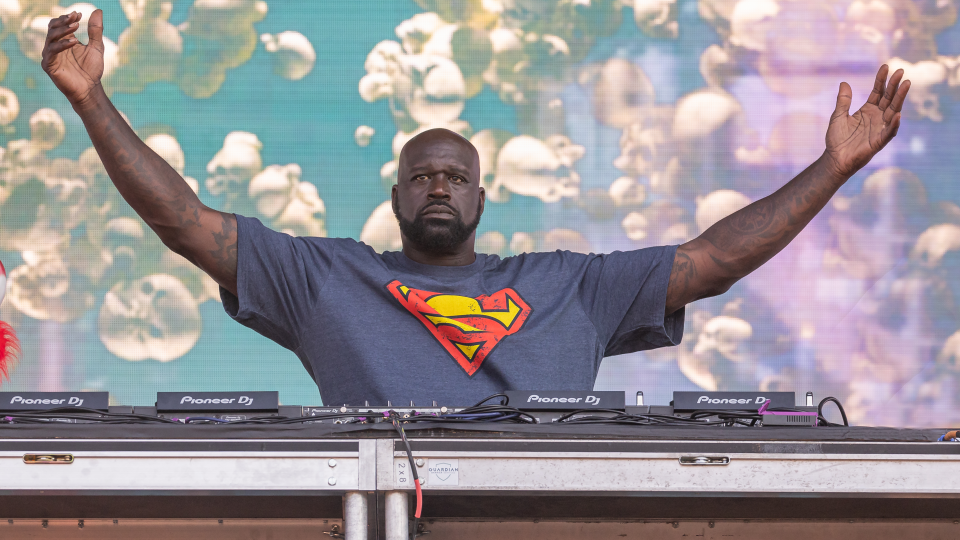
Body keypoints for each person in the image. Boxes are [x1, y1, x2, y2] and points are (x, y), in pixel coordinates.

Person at [41, 11, 910, 406]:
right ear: (395, 197)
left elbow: (714, 258)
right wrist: (90, 102)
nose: (440, 185)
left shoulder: (569, 285)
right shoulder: (325, 278)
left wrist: (831, 169)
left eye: (456, 174)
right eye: (422, 175)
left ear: (485, 198)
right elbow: (183, 220)